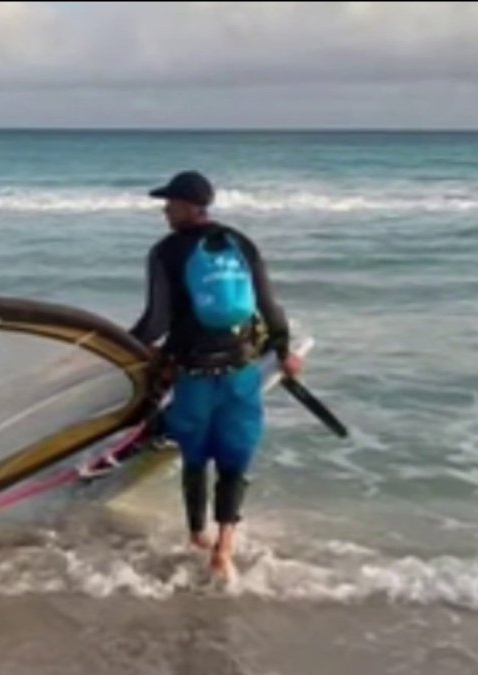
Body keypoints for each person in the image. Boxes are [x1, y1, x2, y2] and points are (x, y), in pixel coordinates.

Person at [128, 169, 302, 580]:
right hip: (242, 370)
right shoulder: (240, 243)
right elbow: (269, 305)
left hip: (194, 373)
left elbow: (156, 322)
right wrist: (283, 349)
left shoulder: (166, 251)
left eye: (169, 204)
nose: (165, 212)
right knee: (234, 456)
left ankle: (195, 536)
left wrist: (127, 348)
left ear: (188, 207)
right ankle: (225, 547)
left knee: (194, 455)